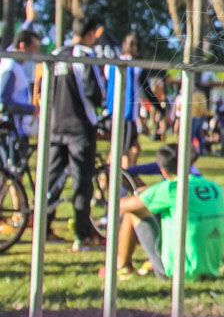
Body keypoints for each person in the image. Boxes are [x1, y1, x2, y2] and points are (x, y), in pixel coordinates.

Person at [104, 144, 224, 280]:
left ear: (163, 172)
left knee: (132, 212)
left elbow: (120, 206)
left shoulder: (170, 189)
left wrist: (144, 194)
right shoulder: (214, 187)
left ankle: (122, 267)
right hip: (211, 267)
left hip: (176, 272)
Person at [46, 16, 107, 251]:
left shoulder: (56, 54)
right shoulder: (86, 56)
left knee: (51, 180)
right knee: (82, 182)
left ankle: (45, 228)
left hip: (55, 125)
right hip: (80, 127)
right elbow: (96, 92)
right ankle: (82, 236)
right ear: (92, 33)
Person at [107, 31, 145, 168]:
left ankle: (129, 180)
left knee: (134, 148)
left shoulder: (111, 64)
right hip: (126, 114)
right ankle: (115, 184)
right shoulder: (136, 67)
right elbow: (146, 88)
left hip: (119, 113)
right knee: (120, 153)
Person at [1, 29, 42, 135]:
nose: (36, 52)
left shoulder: (15, 65)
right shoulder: (11, 67)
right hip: (12, 133)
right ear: (22, 46)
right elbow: (3, 103)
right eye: (34, 47)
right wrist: (32, 109)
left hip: (16, 131)